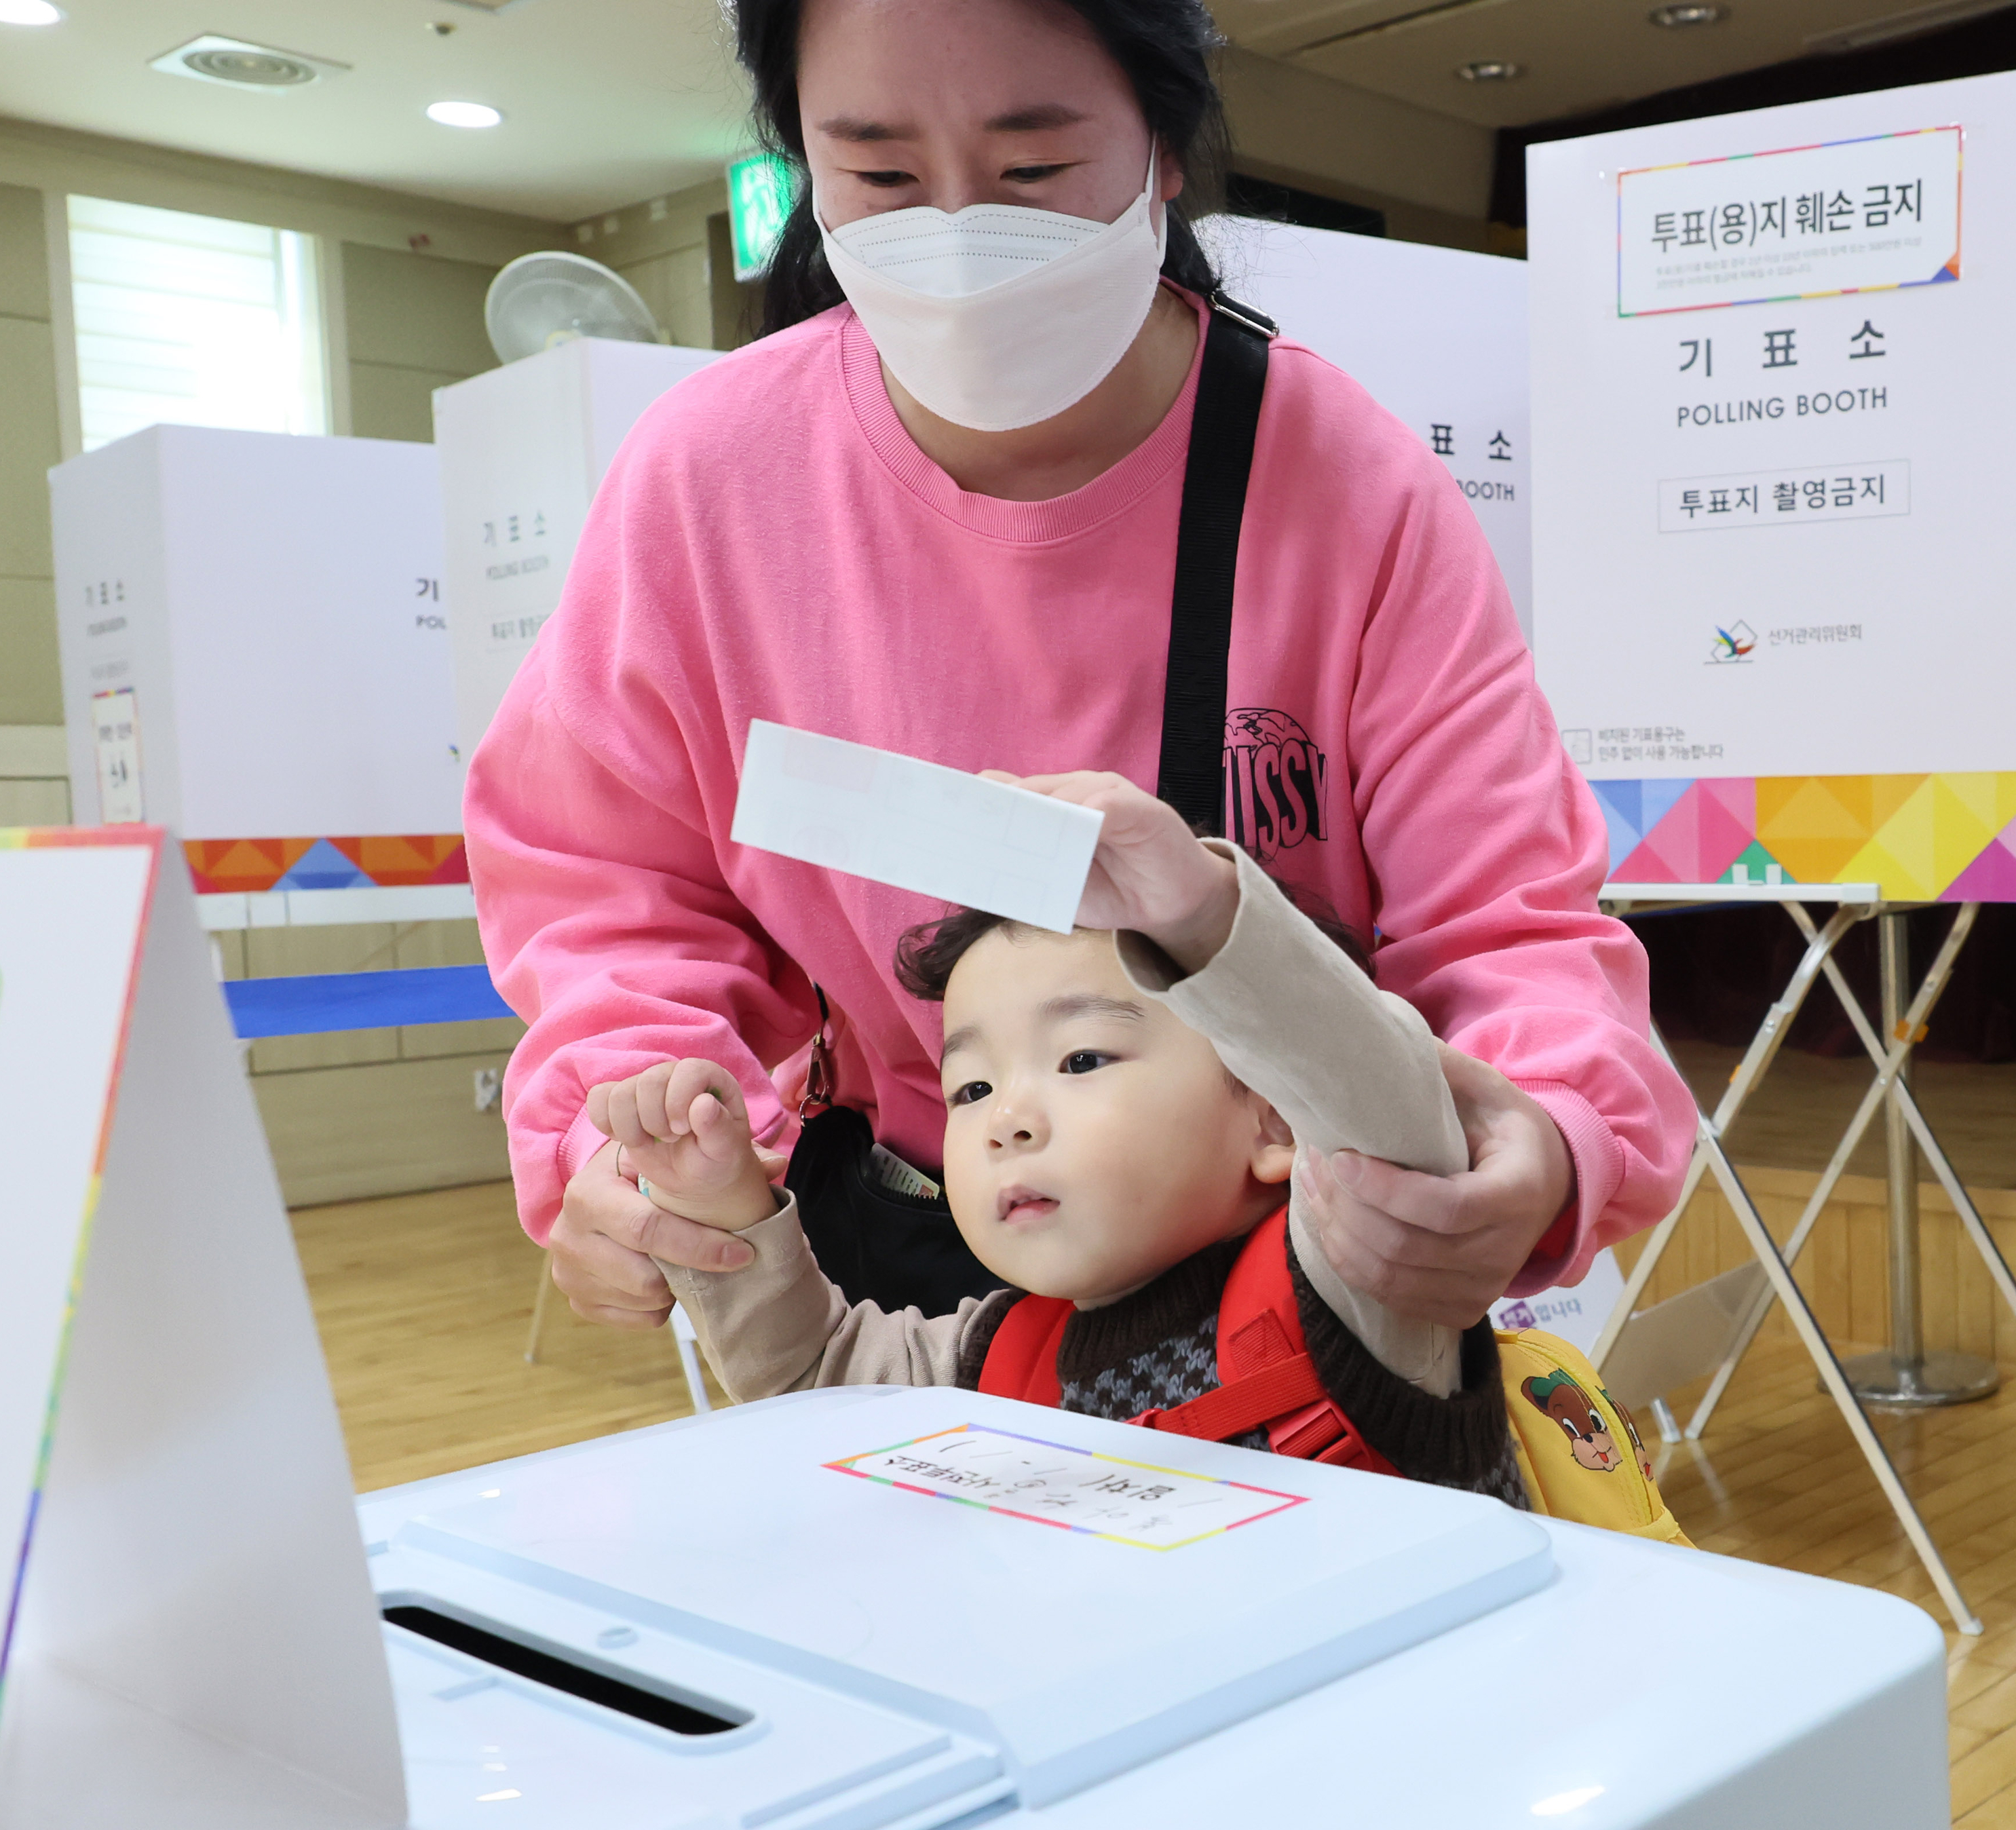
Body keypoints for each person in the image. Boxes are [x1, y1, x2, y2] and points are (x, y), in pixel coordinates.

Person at [465, 0, 1696, 1339]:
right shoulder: (707, 480)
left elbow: (1502, 928)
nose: (953, 232)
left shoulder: (1346, 483)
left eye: (1032, 171)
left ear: (1164, 147)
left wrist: (1546, 1137)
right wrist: (638, 1128)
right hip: (919, 1266)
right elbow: (607, 882)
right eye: (876, 174)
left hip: (1312, 1267)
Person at [594, 773, 1525, 1502]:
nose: (1009, 1118)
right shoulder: (992, 1357)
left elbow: (1378, 1098)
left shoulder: (1357, 1279)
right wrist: (719, 1203)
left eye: (1080, 1060)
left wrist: (1202, 913)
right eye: (973, 1085)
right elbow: (819, 1379)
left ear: (1276, 1113)